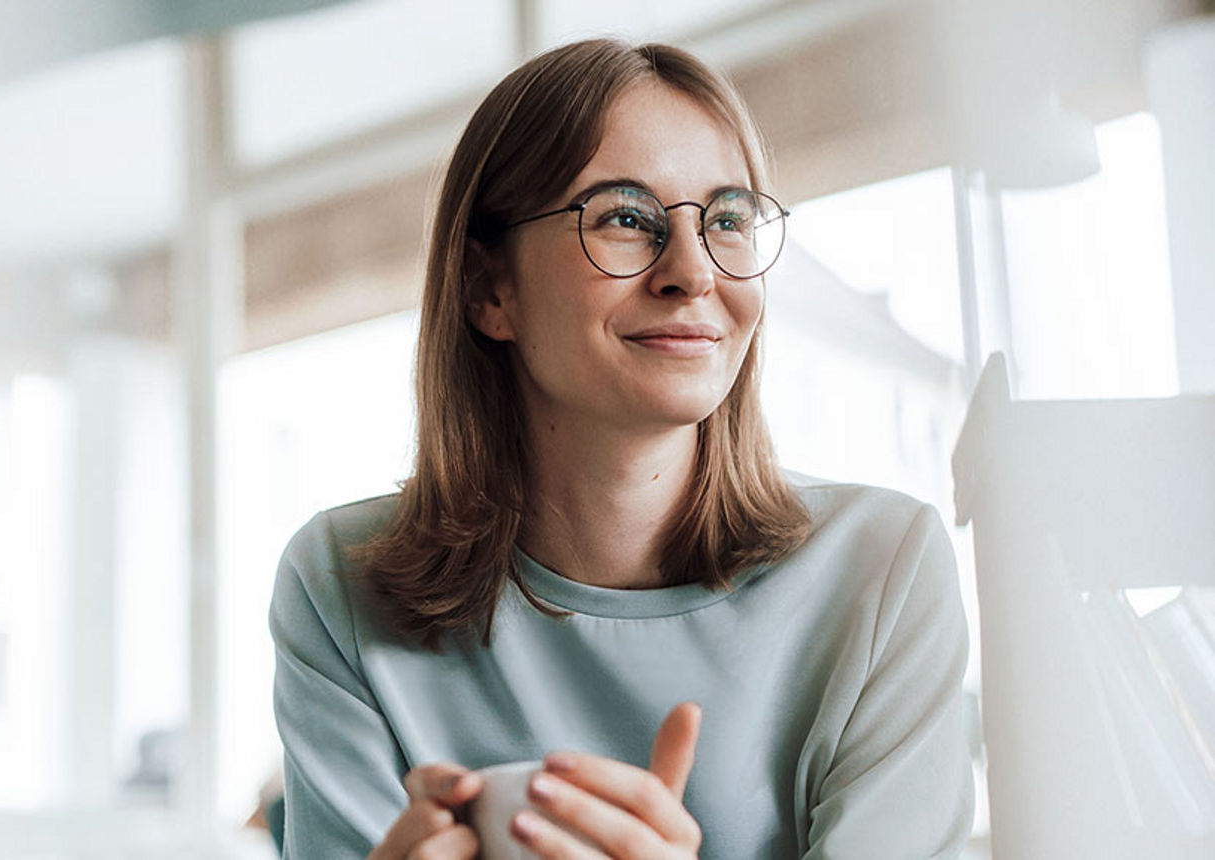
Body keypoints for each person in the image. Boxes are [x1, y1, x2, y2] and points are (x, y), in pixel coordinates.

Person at [269, 38, 973, 859]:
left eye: (728, 220)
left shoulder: (883, 570)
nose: (694, 272)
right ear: (490, 290)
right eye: (626, 218)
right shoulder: (339, 584)